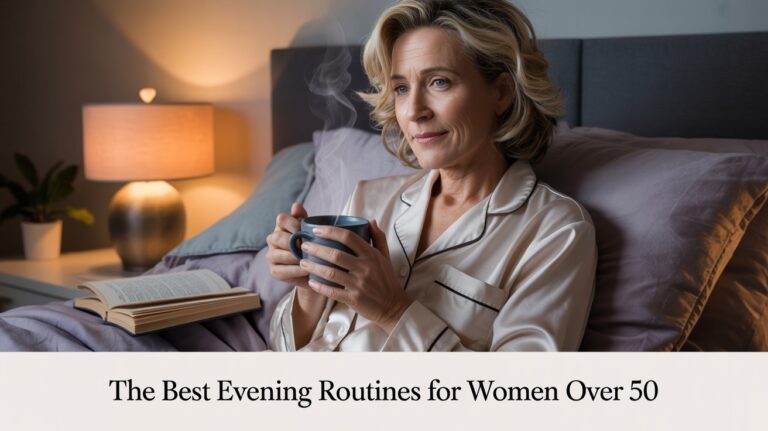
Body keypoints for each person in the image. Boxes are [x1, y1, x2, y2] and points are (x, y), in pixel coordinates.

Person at [267, 0, 597, 351]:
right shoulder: (368, 199)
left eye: (439, 82)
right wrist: (308, 289)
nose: (413, 112)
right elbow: (285, 348)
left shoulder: (555, 232)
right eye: (401, 89)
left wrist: (393, 310)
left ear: (501, 91)